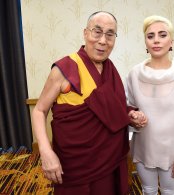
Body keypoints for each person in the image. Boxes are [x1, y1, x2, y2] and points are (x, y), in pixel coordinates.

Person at [32, 11, 147, 195]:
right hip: (75, 164)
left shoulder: (111, 69)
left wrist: (130, 114)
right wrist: (46, 152)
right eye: (97, 31)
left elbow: (110, 107)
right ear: (85, 33)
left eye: (110, 34)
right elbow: (39, 110)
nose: (103, 40)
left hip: (110, 159)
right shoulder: (65, 68)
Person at [126, 15, 174, 195]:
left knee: (169, 192)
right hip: (143, 148)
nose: (156, 40)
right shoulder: (134, 74)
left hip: (173, 152)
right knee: (148, 190)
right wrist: (132, 119)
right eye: (150, 36)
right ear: (145, 42)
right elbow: (127, 110)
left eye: (162, 35)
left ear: (171, 41)